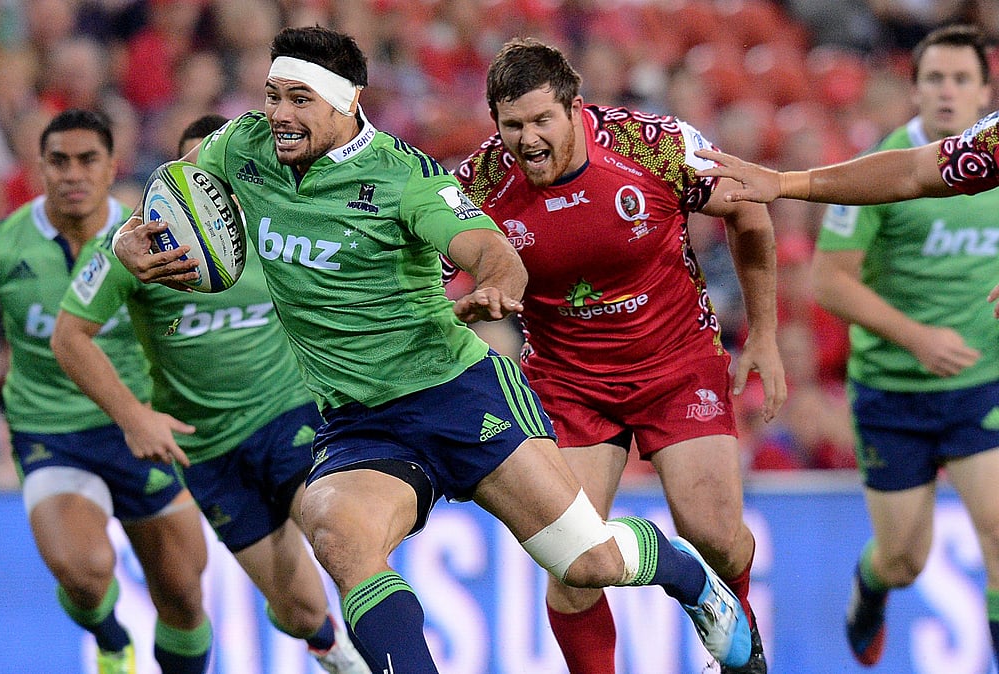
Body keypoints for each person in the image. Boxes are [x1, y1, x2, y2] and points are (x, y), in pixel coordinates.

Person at [112, 25, 753, 672]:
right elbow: (177, 199)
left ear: (347, 102)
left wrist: (496, 288)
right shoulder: (241, 144)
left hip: (456, 393)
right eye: (274, 95)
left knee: (587, 562)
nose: (280, 113)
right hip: (360, 421)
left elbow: (492, 252)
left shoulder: (404, 177)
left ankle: (684, 571)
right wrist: (129, 243)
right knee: (338, 536)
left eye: (300, 99)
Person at [446, 37, 783, 674]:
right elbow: (422, 278)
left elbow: (750, 214)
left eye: (542, 120)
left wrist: (763, 333)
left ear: (575, 109)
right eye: (512, 125)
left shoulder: (651, 144)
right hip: (567, 378)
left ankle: (738, 649)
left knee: (714, 532)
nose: (527, 139)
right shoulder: (479, 182)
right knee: (571, 567)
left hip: (676, 362)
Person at [698, 24, 999, 670]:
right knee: (903, 559)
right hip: (896, 390)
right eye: (935, 78)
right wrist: (785, 184)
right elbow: (917, 174)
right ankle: (873, 582)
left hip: (983, 382)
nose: (947, 92)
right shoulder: (980, 151)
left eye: (961, 78)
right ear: (914, 88)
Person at [50, 117, 368, 673]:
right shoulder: (137, 244)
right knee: (299, 609)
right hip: (208, 449)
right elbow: (68, 336)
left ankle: (385, 657)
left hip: (288, 413)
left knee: (339, 539)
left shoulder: (279, 226)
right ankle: (325, 643)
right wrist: (132, 417)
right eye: (196, 173)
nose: (209, 190)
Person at [0, 109, 211, 674]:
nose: (73, 173)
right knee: (85, 568)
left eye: (88, 160)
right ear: (39, 168)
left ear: (112, 166)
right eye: (59, 161)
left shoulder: (158, 236)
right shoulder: (1, 243)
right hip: (51, 433)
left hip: (140, 426)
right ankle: (110, 637)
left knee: (184, 593)